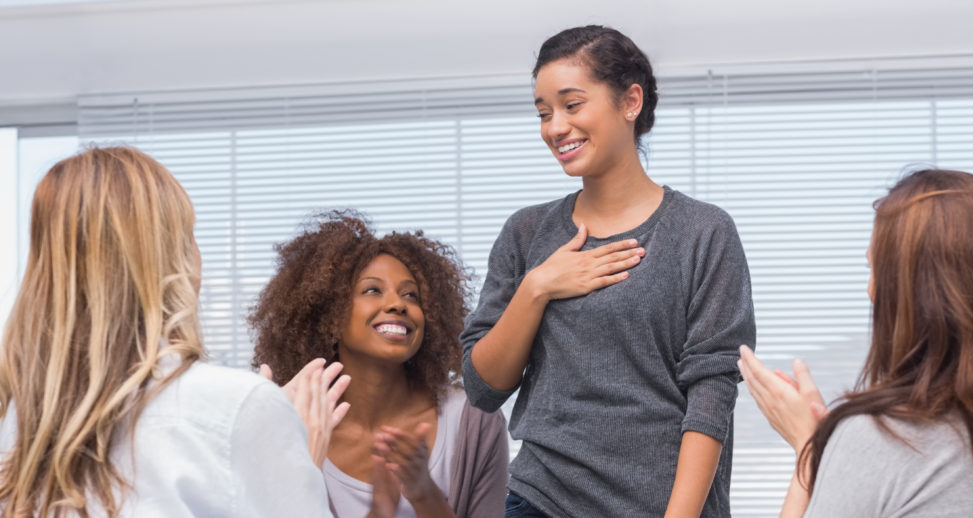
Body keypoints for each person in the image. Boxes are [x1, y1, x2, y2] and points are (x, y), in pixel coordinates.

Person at [460, 26, 755, 517]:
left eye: (572, 105)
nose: (555, 127)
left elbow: (712, 390)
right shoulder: (527, 232)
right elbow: (483, 387)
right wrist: (538, 286)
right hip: (543, 499)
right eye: (543, 113)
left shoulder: (703, 231)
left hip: (664, 504)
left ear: (630, 101)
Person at [0, 146, 339, 517]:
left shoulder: (15, 424)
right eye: (189, 235)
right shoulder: (238, 408)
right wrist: (297, 457)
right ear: (168, 259)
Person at [739, 169, 973, 517]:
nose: (870, 290)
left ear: (907, 298)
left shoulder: (880, 441)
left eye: (874, 270)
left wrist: (811, 453)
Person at [250, 212, 509, 518]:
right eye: (373, 290)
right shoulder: (291, 425)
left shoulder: (472, 421)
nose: (398, 304)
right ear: (330, 316)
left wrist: (424, 494)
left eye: (410, 295)